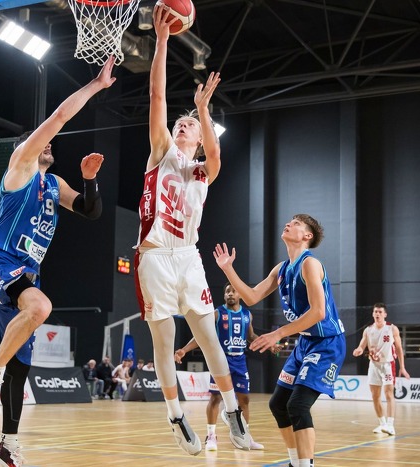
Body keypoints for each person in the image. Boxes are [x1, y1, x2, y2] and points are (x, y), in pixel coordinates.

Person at [0, 55, 117, 467]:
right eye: (44, 142)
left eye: (51, 144)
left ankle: (6, 444)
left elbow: (89, 211)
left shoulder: (54, 184)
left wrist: (89, 180)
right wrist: (95, 86)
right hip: (0, 261)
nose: (50, 145)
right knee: (40, 307)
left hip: (26, 274)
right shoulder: (21, 167)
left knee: (21, 362)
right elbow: (57, 118)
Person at [133, 5, 250, 456]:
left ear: (199, 138)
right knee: (164, 342)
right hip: (154, 256)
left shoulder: (203, 171)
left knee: (208, 337)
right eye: (180, 123)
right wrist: (162, 42)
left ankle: (234, 417)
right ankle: (175, 416)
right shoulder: (161, 152)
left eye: (191, 126)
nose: (183, 125)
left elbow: (216, 157)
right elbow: (157, 96)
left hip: (188, 257)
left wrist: (203, 109)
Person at [214, 214, 346, 467]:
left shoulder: (310, 264)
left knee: (298, 405)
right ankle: (295, 461)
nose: (289, 223)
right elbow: (251, 297)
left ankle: (306, 465)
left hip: (327, 343)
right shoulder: (282, 269)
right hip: (305, 343)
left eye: (296, 223)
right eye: (290, 221)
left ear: (307, 236)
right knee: (278, 405)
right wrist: (228, 268)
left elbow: (318, 312)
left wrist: (278, 333)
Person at [175, 283, 271, 451]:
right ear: (224, 295)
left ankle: (244, 435)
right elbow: (202, 335)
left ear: (240, 295)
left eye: (233, 291)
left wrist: (268, 344)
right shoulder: (217, 313)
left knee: (244, 400)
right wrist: (184, 349)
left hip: (240, 360)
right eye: (227, 291)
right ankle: (211, 436)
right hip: (221, 360)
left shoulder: (247, 315)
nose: (230, 294)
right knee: (215, 398)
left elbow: (250, 336)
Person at [353, 302, 410, 435]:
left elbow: (399, 348)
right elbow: (362, 346)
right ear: (373, 314)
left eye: (380, 312)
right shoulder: (368, 330)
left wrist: (402, 367)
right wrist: (358, 350)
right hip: (374, 365)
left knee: (389, 394)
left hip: (388, 365)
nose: (377, 314)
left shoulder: (392, 328)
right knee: (375, 395)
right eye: (375, 312)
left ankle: (391, 425)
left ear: (385, 314)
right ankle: (382, 424)